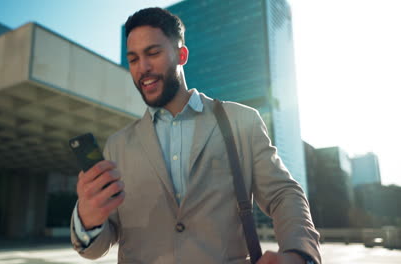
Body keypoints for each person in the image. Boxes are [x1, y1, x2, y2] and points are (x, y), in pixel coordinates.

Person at [71, 7, 321, 264]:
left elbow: (283, 194)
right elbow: (96, 248)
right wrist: (88, 219)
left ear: (182, 55)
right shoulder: (118, 145)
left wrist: (298, 254)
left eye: (153, 53)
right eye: (133, 59)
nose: (142, 67)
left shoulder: (241, 121)